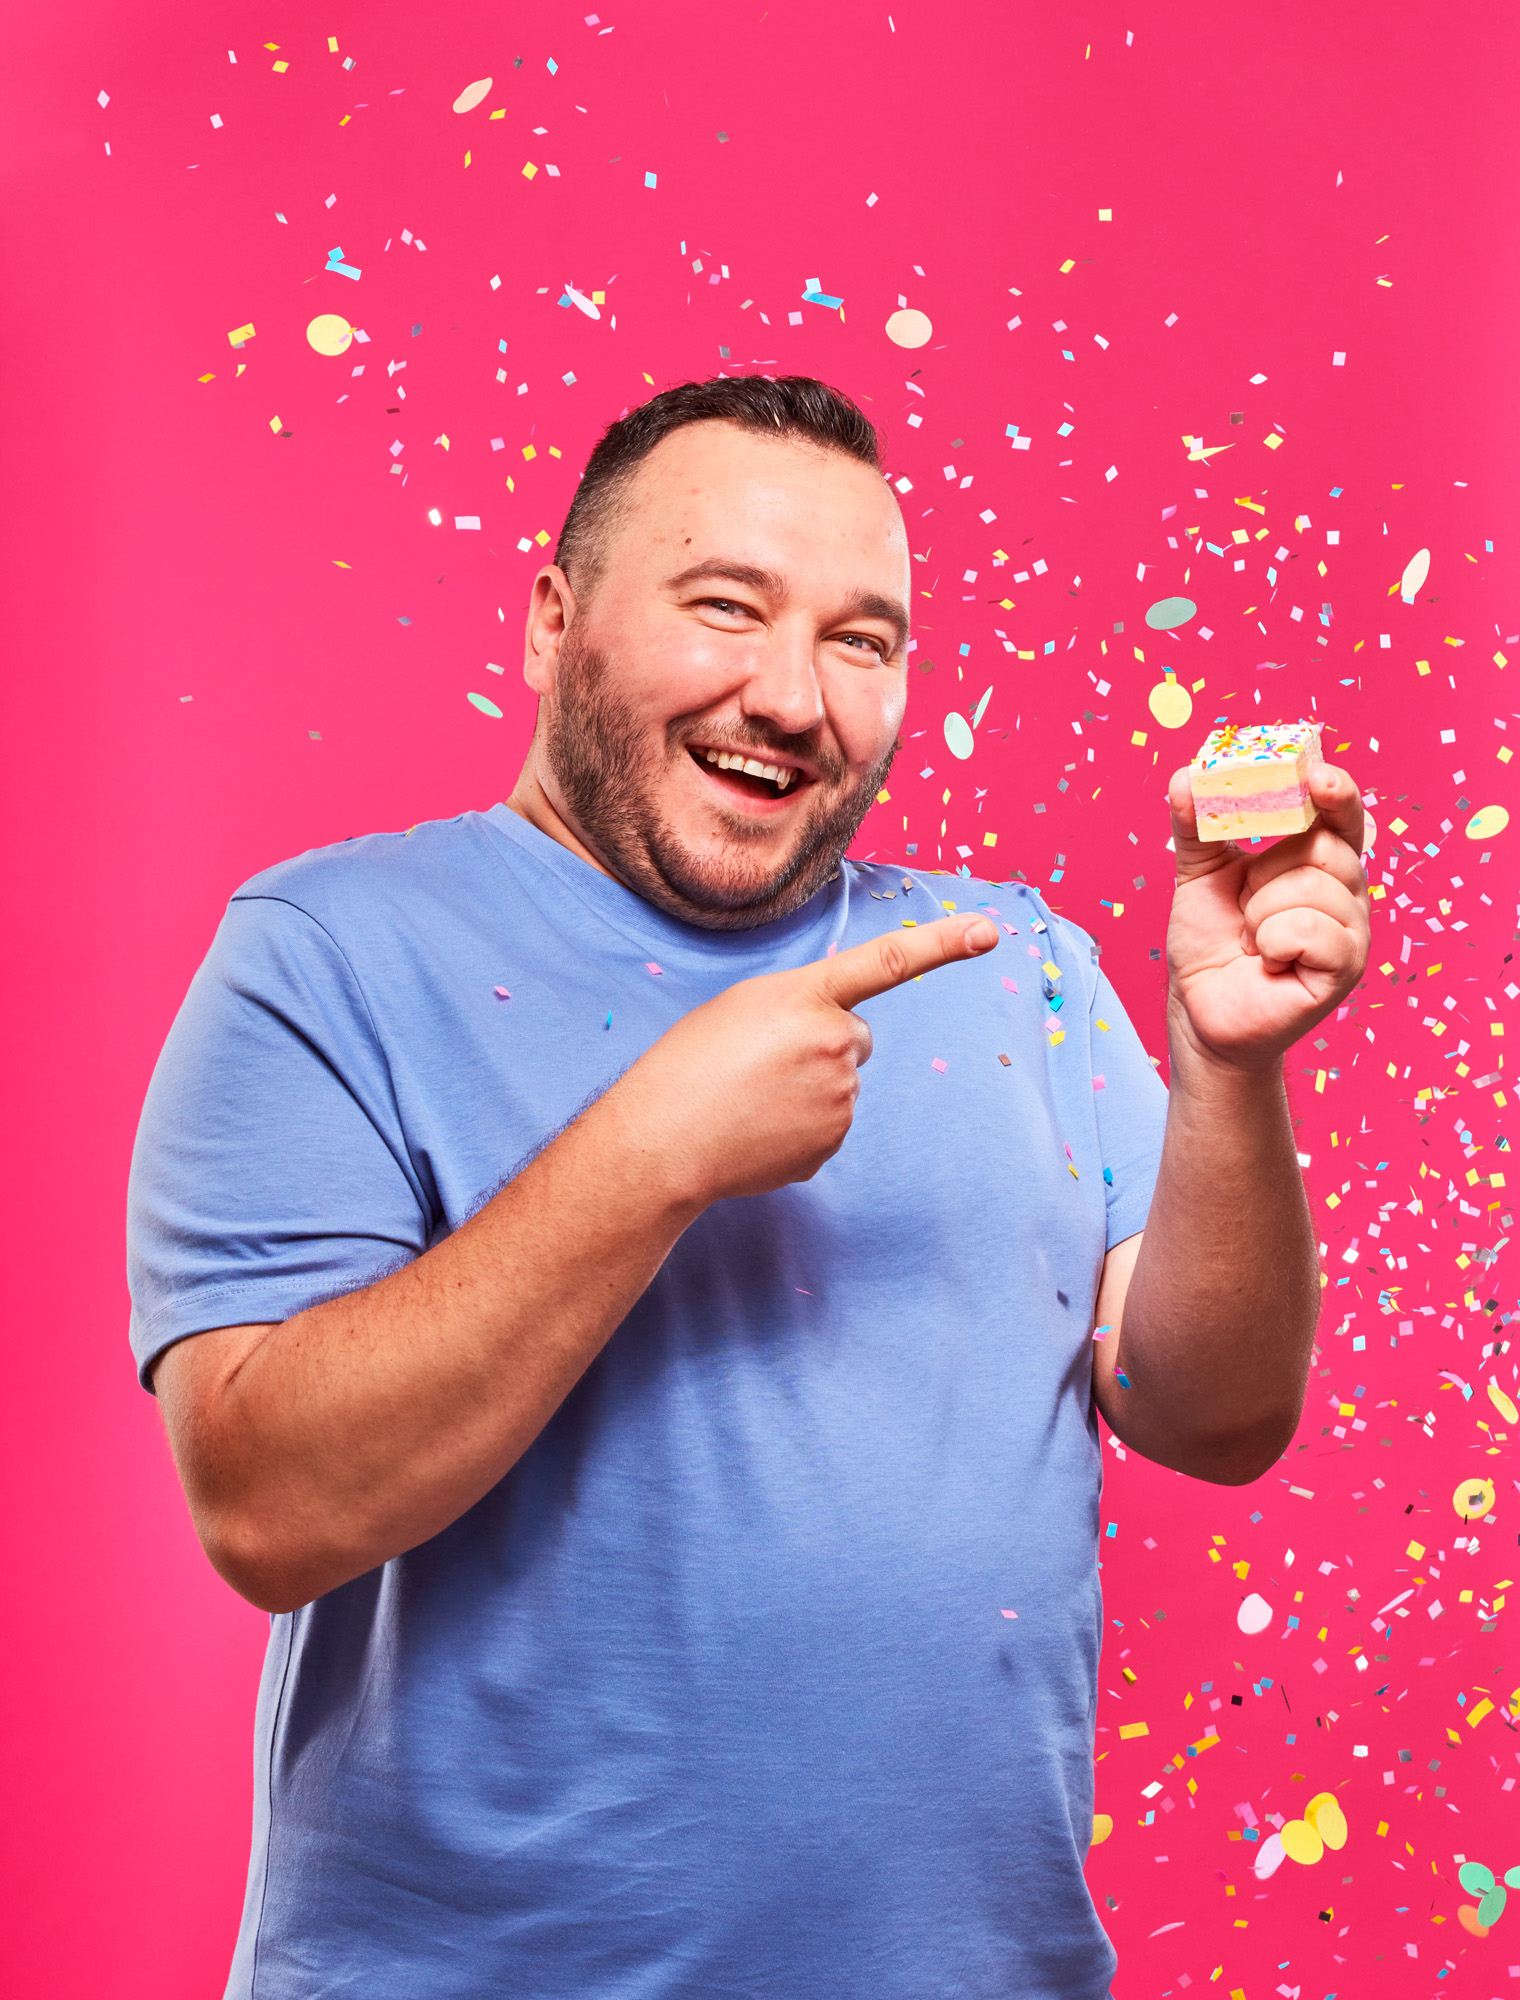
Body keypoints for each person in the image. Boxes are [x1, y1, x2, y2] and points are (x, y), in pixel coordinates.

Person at [128, 375, 1370, 1999]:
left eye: (861, 640)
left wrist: (1228, 1069)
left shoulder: (1021, 967)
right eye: (726, 607)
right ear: (552, 622)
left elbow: (1213, 1415)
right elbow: (268, 1508)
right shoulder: (326, 955)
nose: (791, 697)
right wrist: (655, 1151)